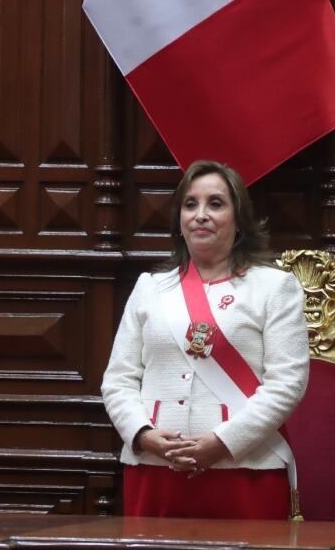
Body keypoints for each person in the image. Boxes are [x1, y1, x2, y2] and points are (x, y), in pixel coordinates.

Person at [101, 159, 309, 520]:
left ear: (239, 219)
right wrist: (142, 434)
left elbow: (287, 383)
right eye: (190, 204)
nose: (200, 214)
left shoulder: (274, 287)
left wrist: (221, 444)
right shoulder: (150, 288)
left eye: (216, 203)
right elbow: (118, 380)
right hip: (155, 467)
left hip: (246, 470)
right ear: (179, 221)